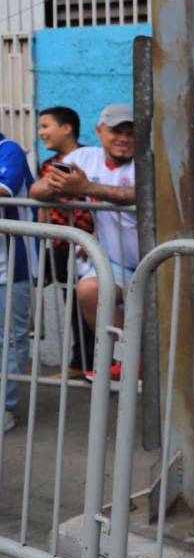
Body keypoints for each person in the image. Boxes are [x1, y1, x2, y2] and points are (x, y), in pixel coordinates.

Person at [31, 104, 138, 382]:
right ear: (100, 131)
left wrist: (86, 188)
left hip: (159, 263)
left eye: (130, 133)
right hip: (116, 264)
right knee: (89, 290)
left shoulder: (148, 162)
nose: (124, 138)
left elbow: (138, 194)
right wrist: (55, 186)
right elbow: (38, 189)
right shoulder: (82, 157)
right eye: (116, 132)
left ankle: (151, 365)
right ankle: (129, 362)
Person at [36, 106, 94, 376]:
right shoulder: (48, 165)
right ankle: (79, 363)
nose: (41, 133)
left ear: (67, 128)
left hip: (85, 246)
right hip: (59, 244)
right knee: (69, 304)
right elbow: (43, 200)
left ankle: (89, 363)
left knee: (88, 307)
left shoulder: (86, 161)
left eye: (46, 126)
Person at [0, 129, 36, 432]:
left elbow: (4, 189)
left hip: (10, 267)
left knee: (11, 339)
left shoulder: (8, 149)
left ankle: (5, 408)